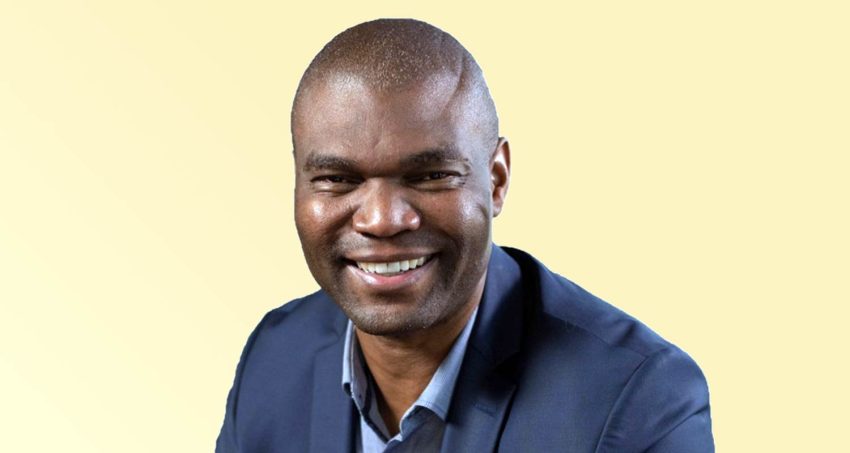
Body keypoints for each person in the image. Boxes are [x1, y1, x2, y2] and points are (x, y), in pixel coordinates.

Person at [216, 18, 714, 453]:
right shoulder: (275, 356)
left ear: (496, 180)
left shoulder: (637, 399)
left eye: (430, 176)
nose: (382, 220)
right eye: (338, 180)